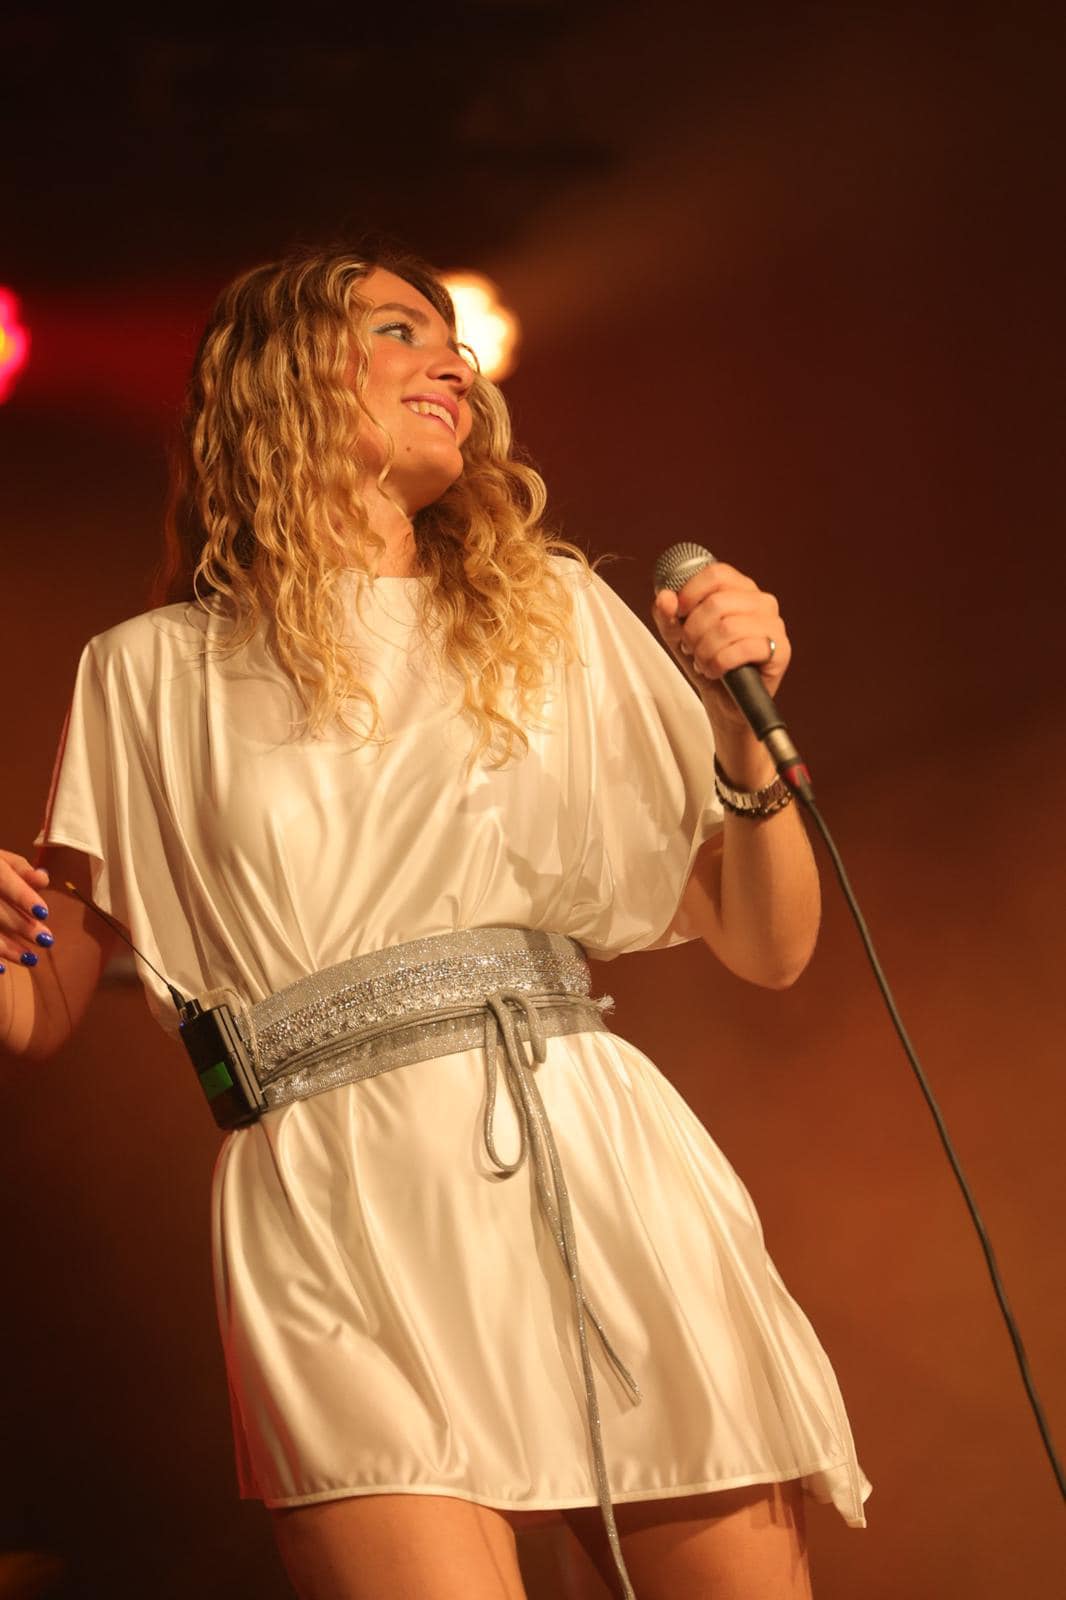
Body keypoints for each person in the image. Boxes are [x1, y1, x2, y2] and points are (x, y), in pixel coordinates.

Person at [0, 245, 869, 1600]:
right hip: (331, 1201)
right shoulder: (148, 675)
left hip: (590, 1157)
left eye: (454, 339)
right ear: (277, 378)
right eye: (399, 330)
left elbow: (768, 945)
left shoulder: (557, 614)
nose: (451, 363)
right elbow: (37, 1004)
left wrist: (742, 744)